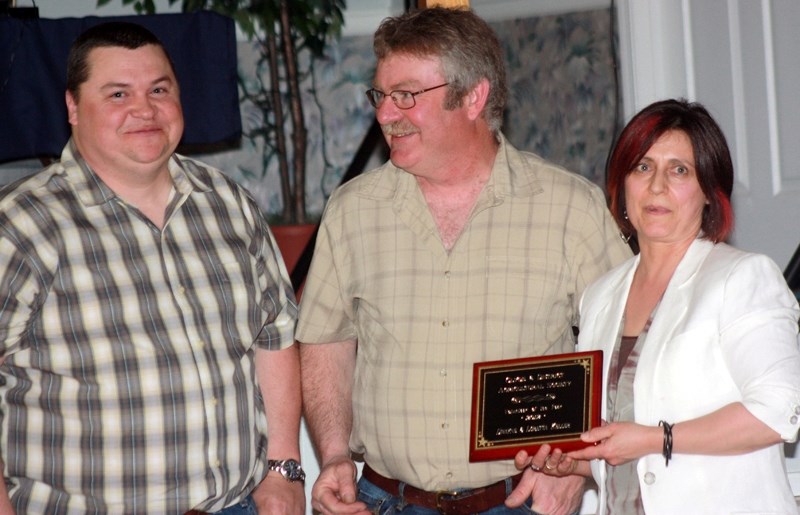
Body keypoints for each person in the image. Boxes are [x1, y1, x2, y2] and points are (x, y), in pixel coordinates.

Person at [297, 7, 631, 515]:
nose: (386, 114)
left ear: (474, 96)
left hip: (519, 501)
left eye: (407, 95)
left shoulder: (568, 207)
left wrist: (583, 465)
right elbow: (326, 340)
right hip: (383, 500)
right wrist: (335, 455)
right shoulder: (352, 211)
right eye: (381, 96)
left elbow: (629, 350)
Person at [0, 22, 306, 514]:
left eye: (159, 89)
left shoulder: (228, 202)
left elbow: (275, 335)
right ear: (73, 107)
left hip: (235, 506)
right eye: (118, 93)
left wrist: (284, 468)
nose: (144, 110)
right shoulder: (20, 226)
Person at [522, 98, 800, 514]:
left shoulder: (742, 278)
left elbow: (779, 412)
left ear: (710, 192)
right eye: (643, 167)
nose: (656, 186)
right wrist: (575, 460)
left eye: (679, 170)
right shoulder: (600, 295)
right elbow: (618, 436)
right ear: (622, 184)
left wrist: (657, 438)